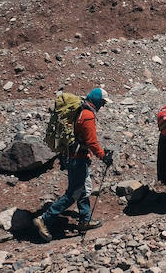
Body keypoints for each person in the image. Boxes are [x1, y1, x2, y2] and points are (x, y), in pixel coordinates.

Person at [34, 87, 112, 240]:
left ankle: (85, 219)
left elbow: (80, 137)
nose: (102, 106)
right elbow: (91, 141)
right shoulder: (88, 115)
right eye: (102, 103)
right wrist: (103, 157)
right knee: (74, 193)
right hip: (77, 158)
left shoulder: (81, 110)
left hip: (71, 155)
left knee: (83, 187)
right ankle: (44, 219)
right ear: (97, 101)